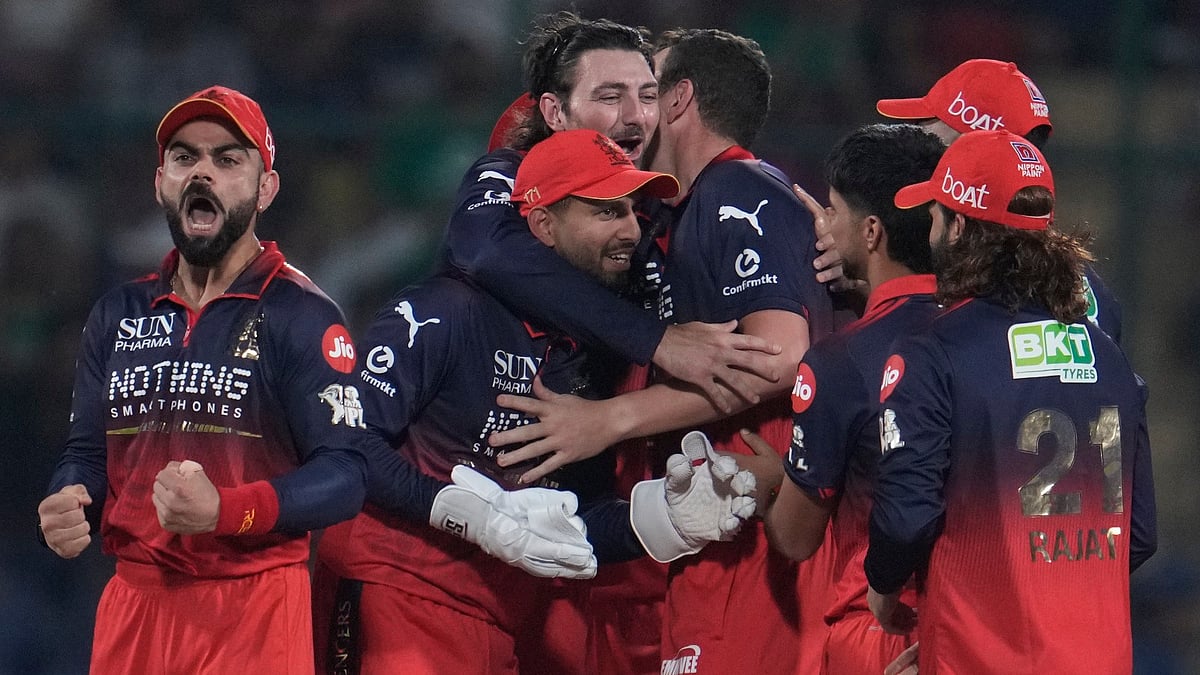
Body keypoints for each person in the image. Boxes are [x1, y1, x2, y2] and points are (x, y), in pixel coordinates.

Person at [311, 128, 758, 674]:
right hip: (394, 593)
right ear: (543, 225)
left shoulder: (594, 356)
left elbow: (566, 522)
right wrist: (458, 512)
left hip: (504, 621)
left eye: (632, 210)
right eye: (606, 212)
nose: (631, 230)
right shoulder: (442, 311)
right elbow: (345, 440)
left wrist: (666, 516)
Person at [493, 28, 834, 674]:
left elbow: (779, 353)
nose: (636, 116)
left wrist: (607, 420)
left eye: (649, 91)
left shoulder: (731, 194)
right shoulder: (692, 209)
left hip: (748, 544)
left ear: (678, 102)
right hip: (717, 539)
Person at [35, 85, 371, 674]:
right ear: (160, 180)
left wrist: (228, 511)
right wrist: (71, 501)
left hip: (253, 608)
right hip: (132, 607)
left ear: (266, 188)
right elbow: (87, 454)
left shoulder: (302, 315)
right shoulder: (119, 314)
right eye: (186, 157)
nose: (203, 173)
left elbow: (345, 475)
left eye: (228, 158)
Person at [864, 129, 1156, 673]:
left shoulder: (934, 353)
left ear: (960, 227)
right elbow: (1138, 536)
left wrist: (884, 589)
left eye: (934, 214)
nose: (929, 228)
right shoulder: (1108, 356)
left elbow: (905, 520)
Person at [442, 11, 783, 416]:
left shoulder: (656, 198)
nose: (636, 115)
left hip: (600, 454)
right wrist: (657, 341)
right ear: (555, 113)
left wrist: (832, 255)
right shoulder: (509, 174)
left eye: (648, 95)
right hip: (471, 442)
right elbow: (486, 250)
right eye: (609, 97)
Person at [747, 123, 945, 675]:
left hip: (879, 630)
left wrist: (776, 481)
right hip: (969, 623)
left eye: (833, 211)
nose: (824, 227)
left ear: (873, 231)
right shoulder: (983, 336)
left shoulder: (839, 360)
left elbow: (795, 536)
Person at [873, 57, 1123, 342]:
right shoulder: (1081, 286)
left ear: (972, 150)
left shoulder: (976, 286)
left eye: (927, 126)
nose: (915, 134)